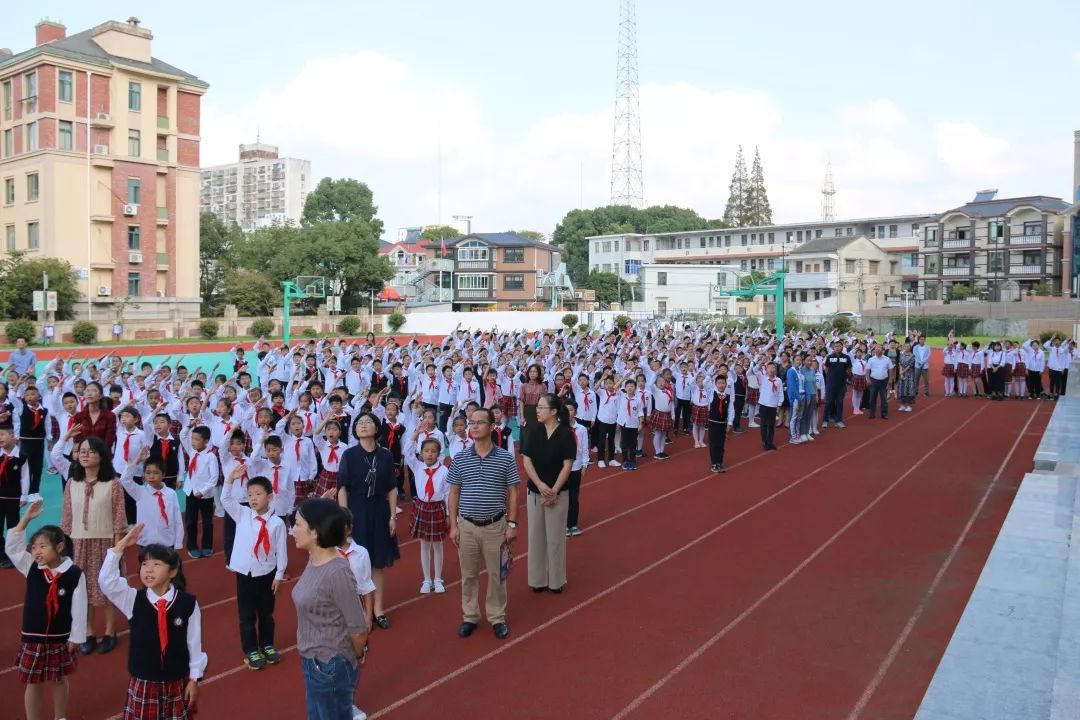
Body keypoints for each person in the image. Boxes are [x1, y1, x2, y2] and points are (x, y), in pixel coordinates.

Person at [99, 527, 207, 720]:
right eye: (144, 564)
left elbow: (194, 643)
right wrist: (120, 547)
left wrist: (194, 679)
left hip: (177, 681)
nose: (148, 569)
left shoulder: (187, 603)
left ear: (173, 571)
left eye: (156, 564)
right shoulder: (133, 600)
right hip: (144, 681)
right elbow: (107, 581)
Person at [7, 499, 86, 720]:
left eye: (43, 546)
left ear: (59, 547)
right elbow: (11, 547)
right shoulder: (32, 567)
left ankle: (60, 716)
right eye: (34, 547)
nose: (37, 551)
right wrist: (25, 520)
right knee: (33, 682)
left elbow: (79, 608)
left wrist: (77, 637)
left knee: (60, 679)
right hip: (33, 636)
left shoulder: (73, 574)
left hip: (59, 638)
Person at [291, 498, 369, 719]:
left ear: (315, 532)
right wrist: (320, 505)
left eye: (297, 524)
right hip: (312, 662)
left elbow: (358, 627)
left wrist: (355, 655)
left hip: (330, 667)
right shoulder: (315, 558)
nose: (292, 529)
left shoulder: (337, 573)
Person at [447, 407, 520, 640]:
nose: (474, 426)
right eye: (471, 423)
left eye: (479, 422)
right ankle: (470, 616)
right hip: (466, 526)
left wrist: (512, 524)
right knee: (468, 575)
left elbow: (513, 492)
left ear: (491, 426)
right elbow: (454, 492)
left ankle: (497, 617)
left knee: (497, 575)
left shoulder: (505, 459)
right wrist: (453, 525)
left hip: (495, 526)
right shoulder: (460, 458)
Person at [60, 435, 126, 655]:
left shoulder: (113, 484)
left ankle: (109, 631)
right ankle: (88, 632)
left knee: (106, 588)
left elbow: (118, 517)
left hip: (105, 542)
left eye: (90, 451)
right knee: (82, 590)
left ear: (101, 456)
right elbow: (67, 516)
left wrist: (117, 550)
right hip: (79, 543)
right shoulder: (72, 483)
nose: (85, 455)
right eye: (81, 451)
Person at [337, 412, 399, 630]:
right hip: (356, 511)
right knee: (355, 564)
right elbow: (342, 488)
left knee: (377, 564)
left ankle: (378, 610)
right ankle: (358, 611)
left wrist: (392, 516)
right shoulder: (349, 455)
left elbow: (392, 488)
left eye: (368, 422)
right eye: (360, 423)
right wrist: (344, 518)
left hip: (380, 511)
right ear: (355, 430)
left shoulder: (385, 455)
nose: (363, 426)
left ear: (376, 428)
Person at [222, 469, 288, 671]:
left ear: (269, 497)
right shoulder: (242, 514)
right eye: (250, 495)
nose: (253, 498)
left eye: (258, 494)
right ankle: (251, 649)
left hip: (266, 574)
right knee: (246, 614)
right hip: (245, 574)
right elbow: (226, 500)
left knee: (266, 613)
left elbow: (281, 552)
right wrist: (230, 480)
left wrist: (279, 575)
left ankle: (267, 644)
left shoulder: (277, 523)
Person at [521, 393, 575, 594]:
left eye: (542, 407)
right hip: (535, 492)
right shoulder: (534, 431)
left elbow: (567, 465)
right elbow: (527, 460)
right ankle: (537, 579)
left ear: (553, 411)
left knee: (555, 538)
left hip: (558, 494)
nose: (538, 410)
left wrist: (553, 490)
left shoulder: (566, 434)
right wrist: (540, 485)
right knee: (535, 537)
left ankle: (556, 580)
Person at [404, 436, 449, 594]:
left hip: (437, 508)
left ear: (439, 454)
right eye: (426, 451)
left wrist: (449, 514)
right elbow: (407, 451)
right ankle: (426, 579)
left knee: (437, 545)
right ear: (421, 453)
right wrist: (415, 433)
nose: (429, 454)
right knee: (424, 545)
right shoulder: (417, 467)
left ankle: (437, 579)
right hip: (422, 508)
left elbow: (448, 493)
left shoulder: (444, 470)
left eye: (433, 451)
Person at [118, 449, 184, 550]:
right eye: (148, 473)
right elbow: (124, 480)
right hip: (145, 542)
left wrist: (178, 542)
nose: (151, 476)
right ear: (143, 475)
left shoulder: (171, 494)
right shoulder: (140, 492)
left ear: (163, 475)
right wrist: (138, 460)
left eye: (155, 473)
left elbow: (177, 519)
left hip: (167, 542)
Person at [179, 425, 219, 560]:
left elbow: (214, 478)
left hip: (205, 495)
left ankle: (207, 546)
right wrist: (189, 425)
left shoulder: (210, 456)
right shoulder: (191, 451)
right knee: (191, 520)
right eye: (193, 439)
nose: (193, 441)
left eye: (197, 439)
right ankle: (192, 546)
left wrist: (203, 491)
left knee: (207, 521)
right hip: (190, 492)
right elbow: (182, 435)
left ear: (206, 441)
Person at [0, 423, 32, 568]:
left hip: (13, 498)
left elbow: (25, 477)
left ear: (13, 437)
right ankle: (2, 555)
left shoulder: (22, 457)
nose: (0, 438)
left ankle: (14, 554)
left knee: (13, 527)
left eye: (2, 434)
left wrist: (24, 496)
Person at [564, 399, 589, 537]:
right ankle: (562, 523)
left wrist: (585, 465)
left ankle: (572, 524)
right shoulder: (559, 428)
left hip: (576, 467)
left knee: (574, 497)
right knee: (562, 496)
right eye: (566, 409)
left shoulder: (581, 429)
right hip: (562, 468)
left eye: (571, 409)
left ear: (576, 412)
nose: (568, 412)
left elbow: (584, 448)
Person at [707, 375, 733, 473]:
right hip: (713, 423)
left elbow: (731, 410)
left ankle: (719, 462)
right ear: (716, 384)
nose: (721, 385)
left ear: (726, 384)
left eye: (723, 383)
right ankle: (714, 463)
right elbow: (705, 382)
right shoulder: (711, 394)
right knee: (713, 444)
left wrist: (729, 423)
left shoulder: (728, 397)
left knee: (721, 444)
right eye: (719, 383)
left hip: (723, 424)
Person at [865, 345, 894, 420]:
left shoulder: (887, 359)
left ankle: (884, 414)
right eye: (876, 349)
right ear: (874, 350)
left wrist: (890, 379)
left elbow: (891, 369)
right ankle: (872, 414)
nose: (878, 350)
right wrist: (867, 379)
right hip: (873, 381)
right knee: (872, 399)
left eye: (880, 348)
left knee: (884, 399)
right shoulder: (871, 359)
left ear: (883, 350)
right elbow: (867, 370)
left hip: (884, 381)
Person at [896, 343, 917, 412]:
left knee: (908, 390)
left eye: (908, 346)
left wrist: (902, 372)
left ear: (910, 348)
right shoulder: (901, 355)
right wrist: (900, 372)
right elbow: (900, 364)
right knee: (901, 390)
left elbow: (910, 366)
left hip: (909, 375)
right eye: (905, 346)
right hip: (902, 374)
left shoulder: (912, 356)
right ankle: (902, 405)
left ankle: (908, 405)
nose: (907, 347)